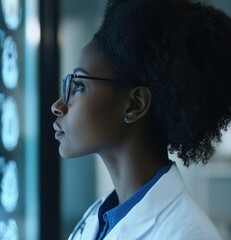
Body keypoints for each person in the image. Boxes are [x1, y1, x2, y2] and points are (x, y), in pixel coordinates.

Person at [51, 0, 231, 239]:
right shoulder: (101, 215)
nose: (57, 106)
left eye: (79, 86)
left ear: (135, 104)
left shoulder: (189, 234)